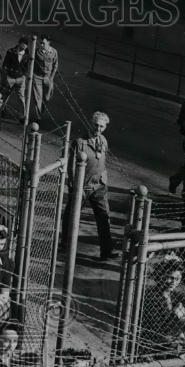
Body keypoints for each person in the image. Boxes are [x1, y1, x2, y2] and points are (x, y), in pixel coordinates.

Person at [72, 111, 119, 260]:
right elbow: (72, 165)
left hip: (99, 186)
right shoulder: (80, 142)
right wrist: (73, 183)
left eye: (101, 126)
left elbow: (102, 161)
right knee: (72, 215)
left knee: (104, 217)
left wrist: (103, 178)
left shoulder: (103, 141)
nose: (98, 129)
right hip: (83, 186)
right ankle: (65, 245)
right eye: (96, 125)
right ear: (90, 123)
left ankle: (106, 251)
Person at [30, 34, 59, 123]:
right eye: (40, 43)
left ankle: (40, 113)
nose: (41, 45)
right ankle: (38, 118)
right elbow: (31, 63)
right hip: (37, 77)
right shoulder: (36, 51)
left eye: (43, 43)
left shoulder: (54, 52)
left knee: (46, 98)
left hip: (48, 78)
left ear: (48, 43)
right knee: (37, 98)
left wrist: (51, 78)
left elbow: (55, 65)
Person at [2, 36, 32, 121]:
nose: (24, 47)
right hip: (10, 77)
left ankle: (22, 117)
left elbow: (27, 68)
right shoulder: (10, 51)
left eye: (26, 46)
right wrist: (7, 77)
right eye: (23, 45)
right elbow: (5, 65)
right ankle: (1, 111)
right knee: (4, 95)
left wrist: (23, 77)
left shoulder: (28, 56)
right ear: (19, 43)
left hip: (20, 79)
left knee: (21, 98)